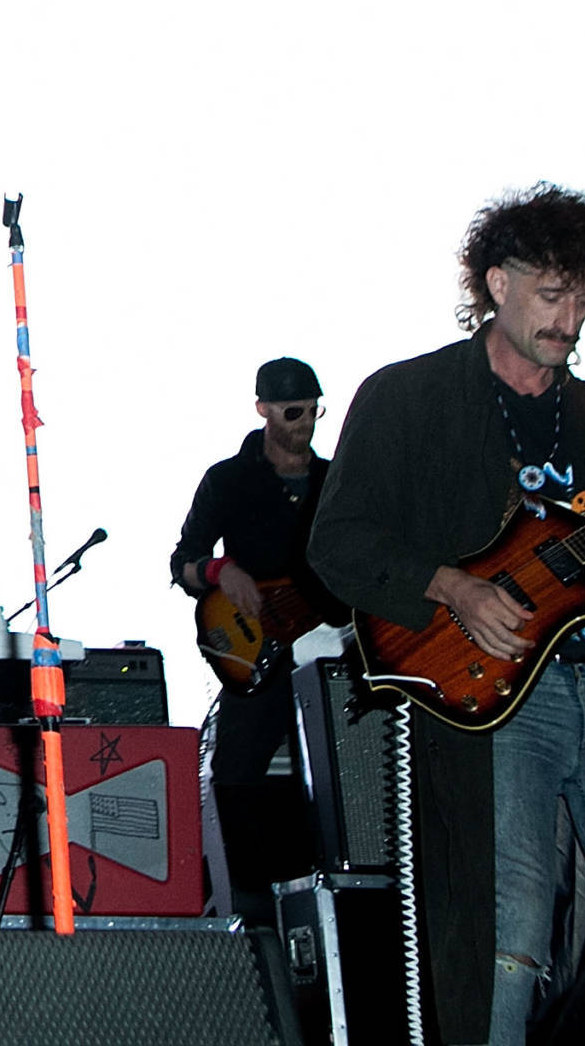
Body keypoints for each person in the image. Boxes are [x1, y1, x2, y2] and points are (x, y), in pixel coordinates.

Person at [307, 184, 585, 1046]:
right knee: (505, 933)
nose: (571, 316)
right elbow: (337, 542)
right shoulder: (408, 397)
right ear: (496, 284)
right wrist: (454, 586)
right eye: (553, 294)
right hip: (497, 697)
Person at [170, 355, 346, 911]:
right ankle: (243, 908)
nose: (305, 423)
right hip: (258, 654)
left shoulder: (337, 483)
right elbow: (184, 562)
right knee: (235, 777)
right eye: (293, 410)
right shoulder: (228, 480)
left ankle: (331, 894)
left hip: (330, 649)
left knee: (343, 774)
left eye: (314, 410)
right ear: (263, 410)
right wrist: (223, 572)